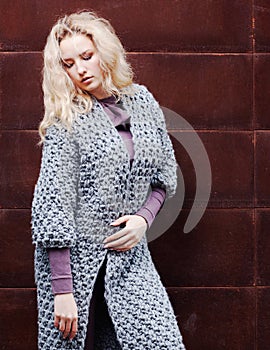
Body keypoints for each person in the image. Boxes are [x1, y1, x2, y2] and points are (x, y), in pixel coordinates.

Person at [31, 10, 186, 350]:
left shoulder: (143, 101)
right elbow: (52, 204)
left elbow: (164, 175)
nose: (80, 70)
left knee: (160, 340)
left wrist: (143, 220)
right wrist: (62, 293)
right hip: (74, 266)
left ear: (105, 52)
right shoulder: (66, 119)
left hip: (129, 257)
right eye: (68, 64)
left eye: (86, 57)